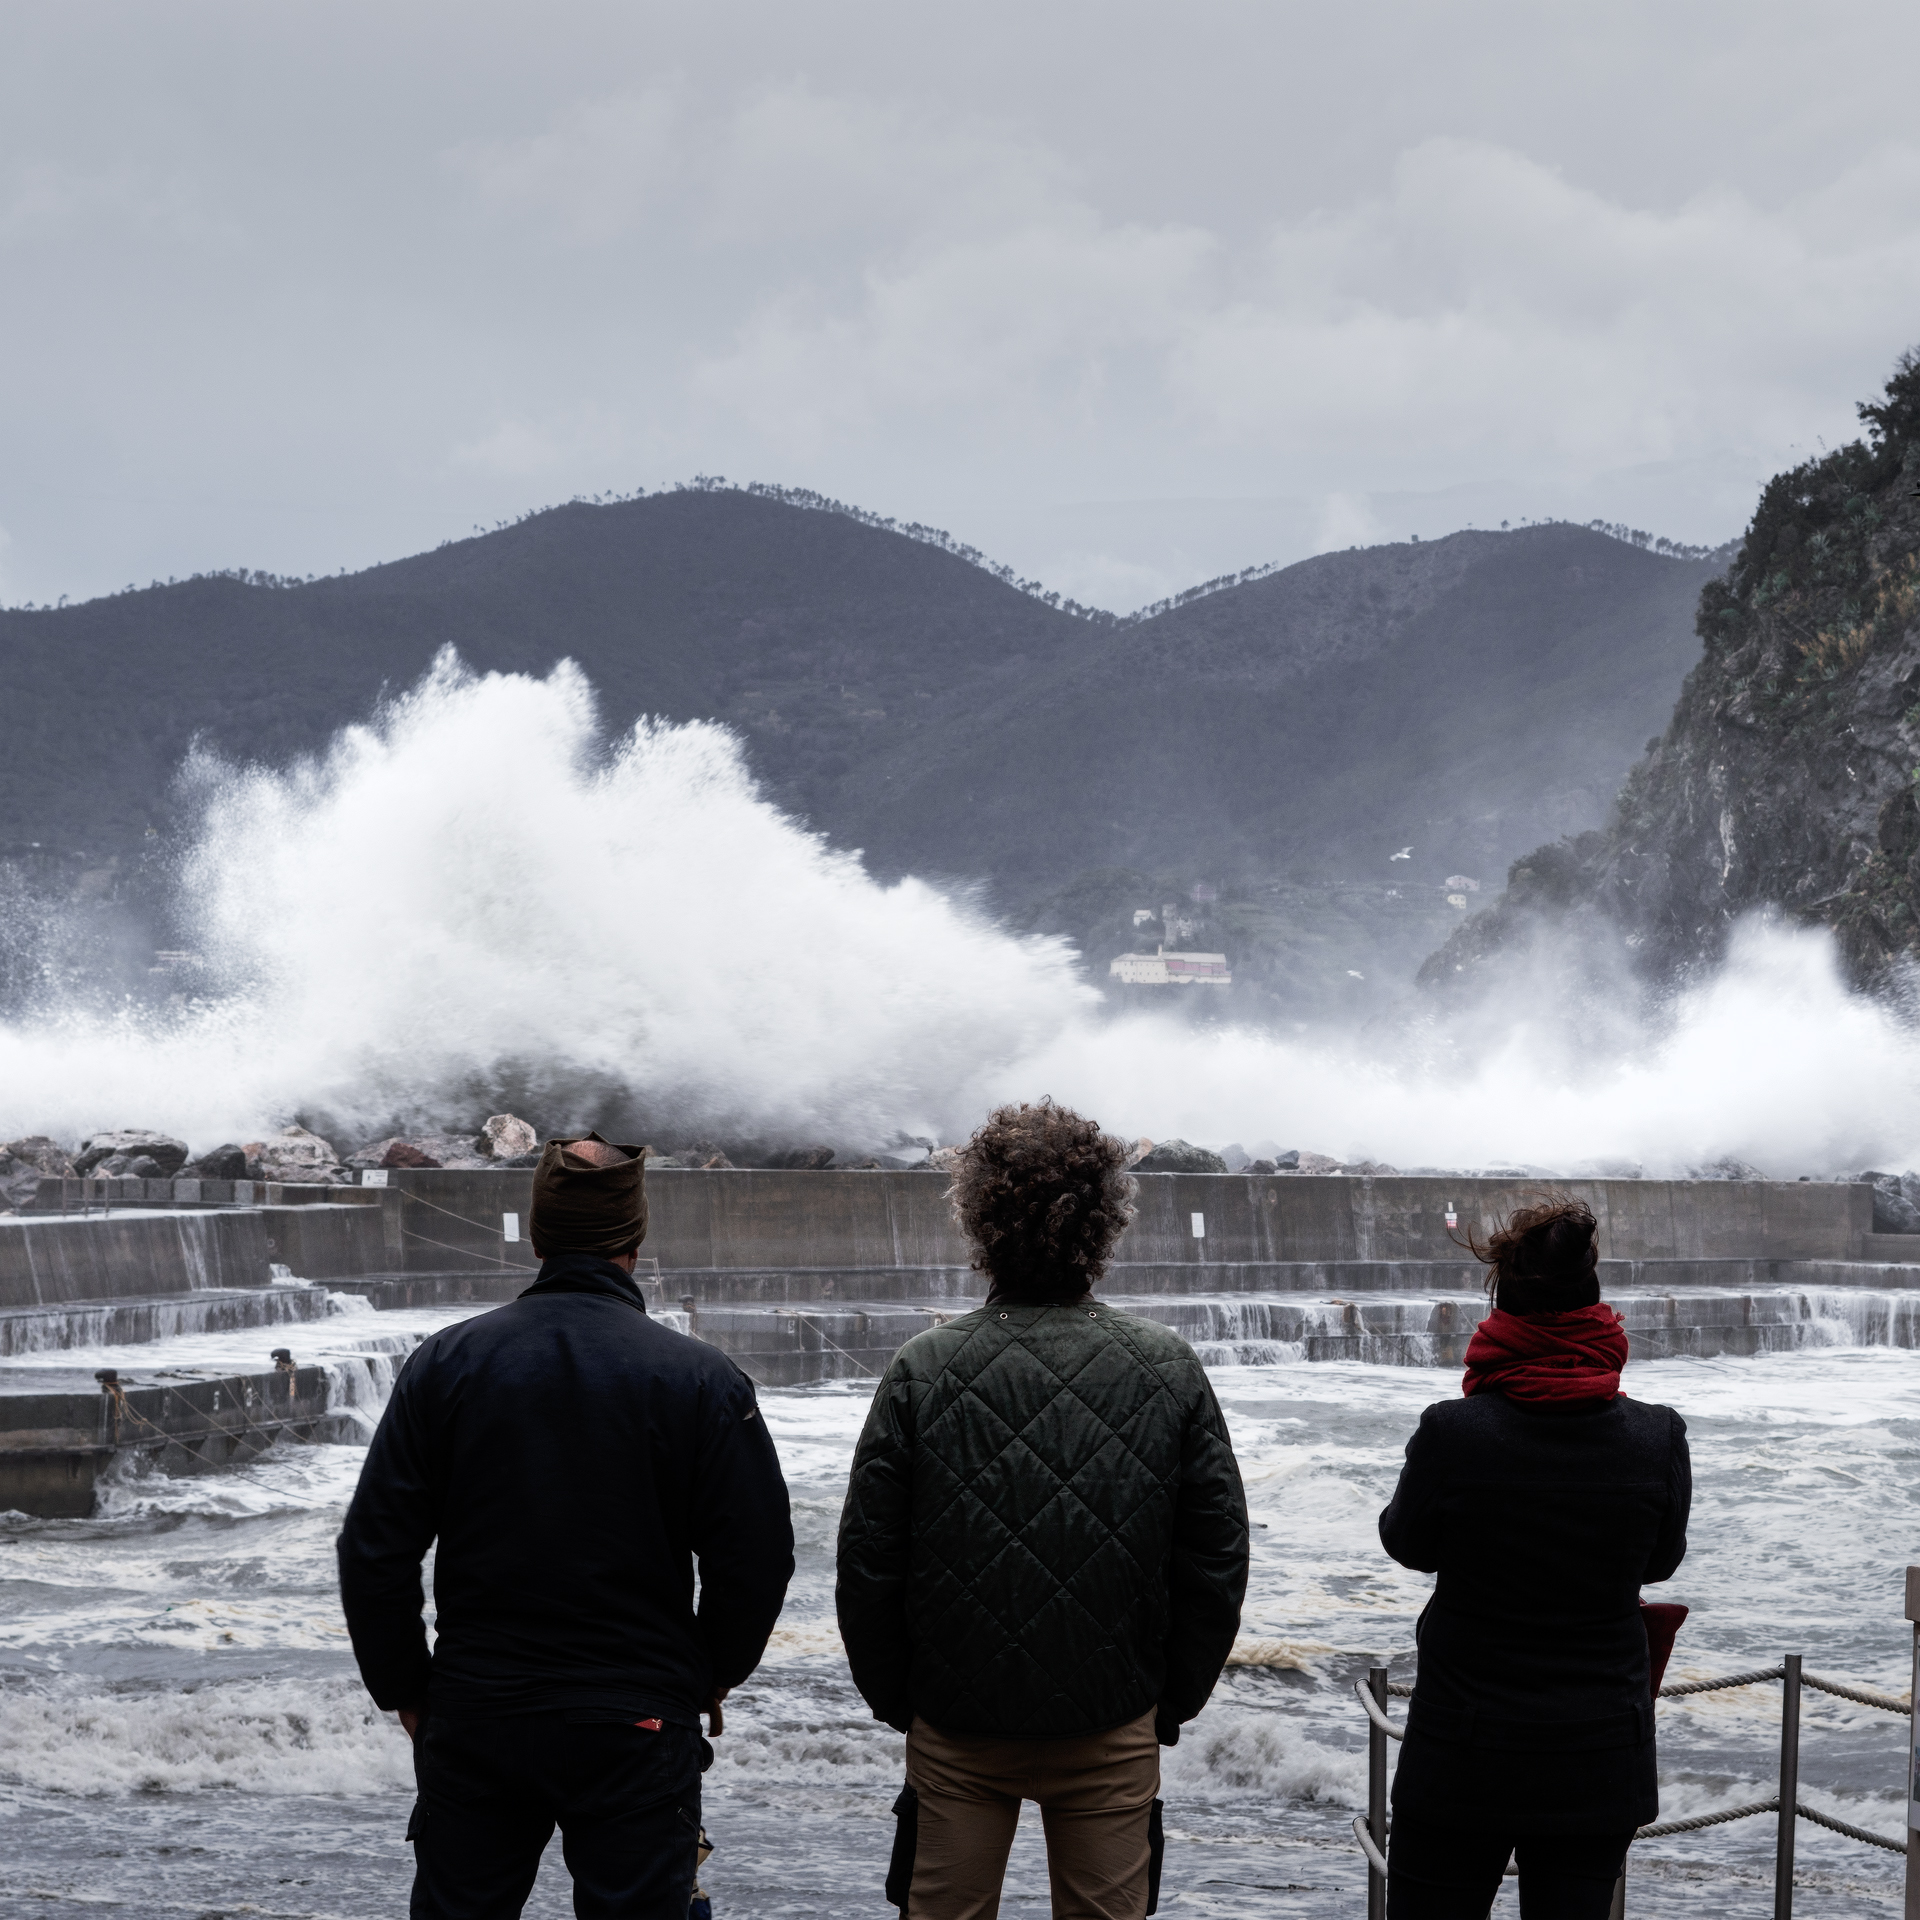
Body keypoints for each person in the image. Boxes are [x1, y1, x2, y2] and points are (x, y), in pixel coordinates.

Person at [337, 1132, 794, 1920]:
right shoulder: (700, 1379)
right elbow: (755, 1556)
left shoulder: (446, 1363)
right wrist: (708, 1674)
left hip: (479, 1709)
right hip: (637, 1715)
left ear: (539, 1237)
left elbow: (374, 1548)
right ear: (635, 1240)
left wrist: (407, 1689)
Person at [837, 1099, 1250, 1920]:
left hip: (956, 1726)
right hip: (1111, 1723)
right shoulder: (1165, 1366)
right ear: (1103, 1223)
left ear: (980, 1219)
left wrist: (901, 1702)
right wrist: (1168, 1701)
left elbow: (869, 1562)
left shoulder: (924, 1367)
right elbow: (1215, 1558)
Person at [1378, 1196, 1690, 1919]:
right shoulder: (1656, 1437)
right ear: (1595, 1311)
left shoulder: (1454, 1433)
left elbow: (1406, 1543)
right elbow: (1660, 1562)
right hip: (1598, 1750)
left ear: (1505, 1314)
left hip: (1463, 1749)